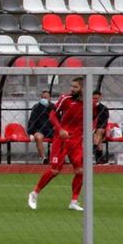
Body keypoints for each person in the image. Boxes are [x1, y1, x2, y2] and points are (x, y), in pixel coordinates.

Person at [28, 76, 96, 211]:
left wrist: (90, 131)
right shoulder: (66, 99)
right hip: (62, 139)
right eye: (72, 86)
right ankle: (34, 193)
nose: (72, 89)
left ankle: (74, 201)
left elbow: (93, 118)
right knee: (54, 170)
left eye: (75, 87)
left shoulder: (90, 103)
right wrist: (60, 130)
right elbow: (52, 115)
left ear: (83, 89)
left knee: (80, 171)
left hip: (76, 140)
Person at [27, 90, 55, 164]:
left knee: (61, 138)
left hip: (52, 129)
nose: (43, 99)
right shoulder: (36, 107)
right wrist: (31, 133)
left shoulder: (54, 107)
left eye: (45, 97)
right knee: (38, 137)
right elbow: (32, 121)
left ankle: (57, 158)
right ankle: (44, 158)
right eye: (42, 97)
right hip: (40, 129)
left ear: (50, 98)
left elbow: (59, 119)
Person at [93, 90, 110, 164]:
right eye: (93, 98)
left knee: (99, 131)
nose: (95, 100)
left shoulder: (103, 108)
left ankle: (94, 148)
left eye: (96, 98)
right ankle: (99, 158)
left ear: (100, 98)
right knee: (99, 139)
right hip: (88, 128)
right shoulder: (87, 107)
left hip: (99, 128)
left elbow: (104, 122)